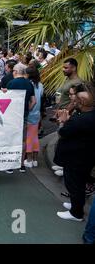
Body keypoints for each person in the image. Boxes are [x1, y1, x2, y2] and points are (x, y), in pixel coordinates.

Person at [54, 83, 95, 221]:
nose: (73, 102)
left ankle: (76, 213)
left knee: (74, 184)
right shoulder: (90, 115)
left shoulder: (78, 120)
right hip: (86, 157)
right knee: (79, 184)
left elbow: (63, 133)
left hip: (75, 159)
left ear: (82, 102)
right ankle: (74, 205)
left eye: (76, 100)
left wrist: (63, 122)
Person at [6, 63, 36, 173]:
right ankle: (21, 164)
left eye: (13, 70)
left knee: (11, 139)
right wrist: (26, 110)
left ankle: (10, 165)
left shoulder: (11, 83)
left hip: (11, 115)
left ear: (16, 71)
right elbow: (34, 101)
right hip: (23, 115)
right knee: (22, 140)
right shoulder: (29, 84)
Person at [24, 67, 44, 168]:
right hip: (37, 113)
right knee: (34, 136)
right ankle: (35, 159)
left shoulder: (28, 84)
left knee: (28, 137)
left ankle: (29, 159)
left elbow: (32, 100)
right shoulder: (40, 85)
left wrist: (27, 111)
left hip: (30, 113)